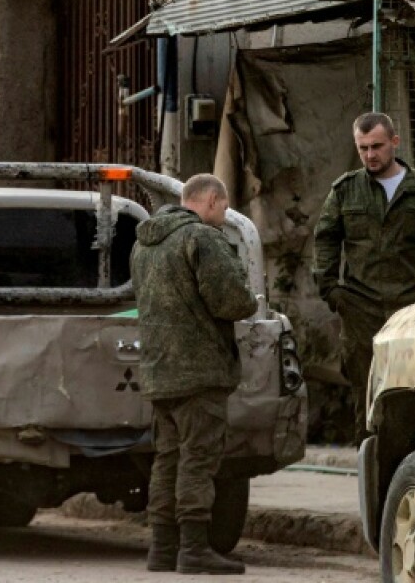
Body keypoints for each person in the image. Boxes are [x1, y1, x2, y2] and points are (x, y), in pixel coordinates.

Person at [131, 174, 257, 575]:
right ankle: (194, 548)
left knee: (166, 460)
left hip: (158, 371)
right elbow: (230, 301)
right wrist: (250, 300)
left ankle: (162, 549)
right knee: (198, 460)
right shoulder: (201, 239)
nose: (223, 215)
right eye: (222, 208)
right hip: (200, 371)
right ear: (213, 201)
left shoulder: (144, 243)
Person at [312, 112, 415, 442]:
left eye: (377, 146)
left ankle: (410, 471)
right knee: (365, 395)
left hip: (411, 305)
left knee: (414, 389)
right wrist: (331, 290)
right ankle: (370, 475)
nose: (371, 155)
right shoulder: (346, 191)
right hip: (361, 307)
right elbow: (326, 237)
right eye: (363, 148)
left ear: (394, 143)